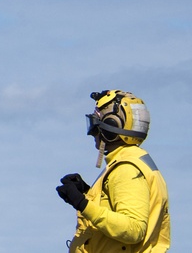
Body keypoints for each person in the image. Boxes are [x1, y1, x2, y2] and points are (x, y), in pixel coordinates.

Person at [57, 90, 170, 253]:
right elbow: (121, 205)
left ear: (111, 126)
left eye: (96, 124)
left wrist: (83, 204)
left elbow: (133, 229)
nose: (93, 132)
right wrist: (88, 192)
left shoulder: (126, 169)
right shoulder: (132, 163)